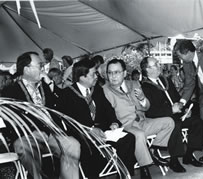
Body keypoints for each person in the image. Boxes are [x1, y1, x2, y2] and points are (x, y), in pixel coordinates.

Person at [2, 51, 81, 179]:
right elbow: (11, 120)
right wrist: (31, 131)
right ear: (27, 69)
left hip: (50, 135)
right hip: (28, 137)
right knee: (22, 147)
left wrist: (51, 84)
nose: (43, 68)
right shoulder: (11, 91)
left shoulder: (45, 86)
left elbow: (61, 106)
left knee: (73, 145)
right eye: (40, 65)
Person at [57, 57, 136, 178]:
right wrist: (89, 129)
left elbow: (108, 109)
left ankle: (125, 176)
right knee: (89, 146)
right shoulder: (67, 95)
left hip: (103, 130)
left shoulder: (97, 89)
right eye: (94, 74)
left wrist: (114, 122)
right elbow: (68, 122)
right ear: (82, 77)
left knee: (128, 138)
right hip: (83, 133)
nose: (97, 77)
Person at [103, 58, 175, 179]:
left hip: (143, 121)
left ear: (125, 73)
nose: (113, 76)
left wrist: (142, 99)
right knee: (139, 135)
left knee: (169, 122)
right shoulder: (105, 90)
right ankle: (145, 168)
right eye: (110, 73)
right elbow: (106, 113)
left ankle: (153, 151)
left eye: (117, 72)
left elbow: (147, 107)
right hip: (126, 126)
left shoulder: (134, 84)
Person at [140, 57, 203, 173]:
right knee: (175, 124)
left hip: (176, 114)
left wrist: (184, 109)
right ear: (147, 69)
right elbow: (150, 111)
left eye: (158, 63)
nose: (159, 65)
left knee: (197, 122)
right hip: (162, 118)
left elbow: (176, 97)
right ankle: (174, 160)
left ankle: (188, 155)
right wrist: (171, 110)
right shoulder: (144, 87)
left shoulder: (166, 80)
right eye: (155, 64)